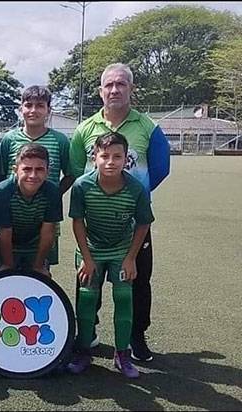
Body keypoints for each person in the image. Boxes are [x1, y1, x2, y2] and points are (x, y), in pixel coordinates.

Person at [69, 63, 170, 361]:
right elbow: (77, 168)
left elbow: (161, 169)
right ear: (100, 91)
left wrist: (131, 197)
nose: (114, 90)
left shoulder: (148, 127)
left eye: (121, 84)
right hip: (94, 220)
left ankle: (136, 337)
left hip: (132, 222)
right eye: (109, 85)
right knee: (88, 277)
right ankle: (89, 333)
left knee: (137, 279)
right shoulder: (85, 129)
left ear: (131, 89)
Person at [66, 132, 154, 379]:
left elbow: (143, 225)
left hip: (121, 251)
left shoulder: (136, 188)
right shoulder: (82, 185)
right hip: (91, 250)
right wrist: (87, 258)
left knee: (123, 296)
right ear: (95, 158)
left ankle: (122, 355)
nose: (111, 161)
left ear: (126, 159)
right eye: (105, 156)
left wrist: (130, 258)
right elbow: (77, 222)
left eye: (117, 156)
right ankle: (83, 350)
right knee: (86, 299)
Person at [0, 144, 63, 276]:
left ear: (48, 171)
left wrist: (39, 265)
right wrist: (8, 265)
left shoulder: (52, 191)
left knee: (39, 281)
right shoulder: (3, 190)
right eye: (27, 169)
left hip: (35, 246)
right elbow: (5, 232)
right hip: (9, 246)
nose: (33, 175)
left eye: (39, 169)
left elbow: (48, 231)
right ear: (15, 170)